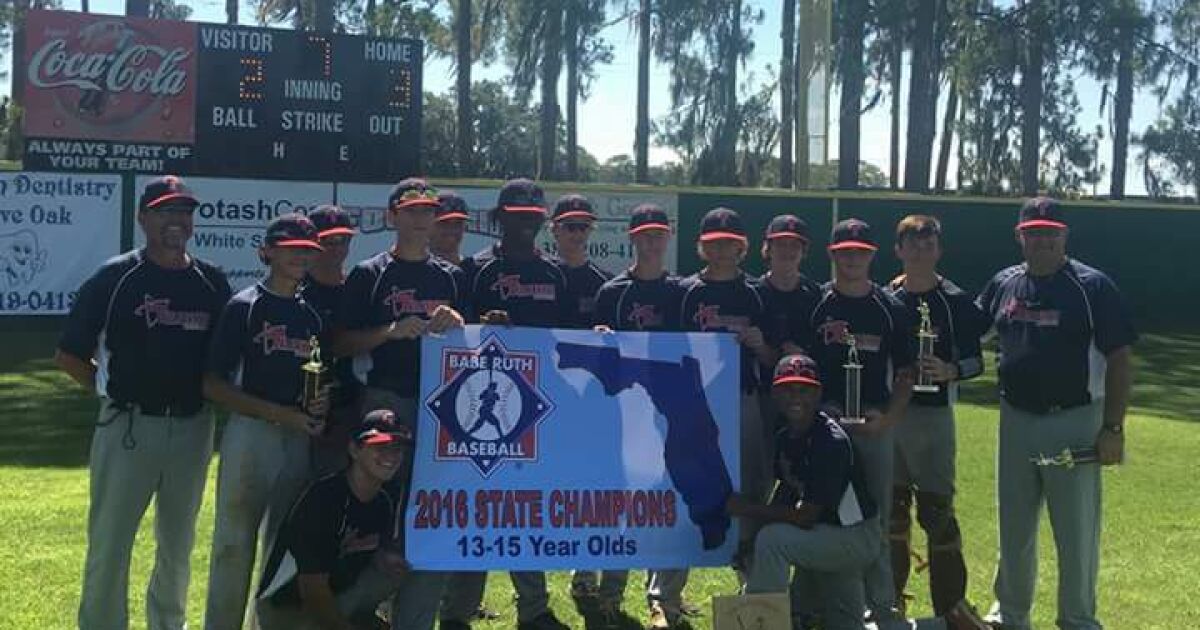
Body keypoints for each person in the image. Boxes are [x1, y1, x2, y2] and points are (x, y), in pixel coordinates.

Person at [57, 175, 230, 630]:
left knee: (178, 544)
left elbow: (224, 362)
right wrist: (111, 390)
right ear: (142, 218)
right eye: (165, 210)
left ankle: (168, 624)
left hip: (193, 427)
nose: (177, 220)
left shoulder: (211, 282)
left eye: (184, 211)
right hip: (128, 426)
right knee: (110, 544)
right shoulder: (116, 277)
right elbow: (70, 354)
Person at [734, 354, 987, 630]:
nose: (795, 398)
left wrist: (745, 510)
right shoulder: (785, 434)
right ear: (774, 394)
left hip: (853, 539)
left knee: (773, 540)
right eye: (787, 389)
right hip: (825, 539)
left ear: (818, 394)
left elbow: (805, 516)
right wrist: (753, 533)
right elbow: (788, 490)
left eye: (804, 390)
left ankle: (760, 624)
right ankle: (947, 625)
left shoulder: (829, 440)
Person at [977, 198, 1136, 630]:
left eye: (1051, 232)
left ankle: (1078, 619)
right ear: (1019, 236)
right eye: (1034, 232)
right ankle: (1010, 615)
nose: (1042, 240)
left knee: (1076, 530)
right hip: (1016, 418)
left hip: (1074, 420)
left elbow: (1120, 359)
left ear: (1065, 236)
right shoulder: (1005, 283)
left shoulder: (1092, 286)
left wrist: (1113, 428)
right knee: (1014, 523)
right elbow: (969, 326)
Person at [331, 177, 467, 628]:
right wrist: (388, 332)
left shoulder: (451, 276)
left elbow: (476, 343)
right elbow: (339, 344)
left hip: (442, 407)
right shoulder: (370, 274)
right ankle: (352, 609)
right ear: (392, 216)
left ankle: (413, 619)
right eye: (411, 211)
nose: (420, 219)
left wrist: (460, 322)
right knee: (378, 508)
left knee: (432, 513)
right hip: (385, 401)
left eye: (428, 211)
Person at [203, 213, 331, 630]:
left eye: (308, 249)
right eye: (291, 248)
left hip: (296, 437)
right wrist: (279, 414)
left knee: (282, 544)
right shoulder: (245, 306)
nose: (300, 256)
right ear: (268, 252)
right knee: (233, 543)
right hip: (251, 433)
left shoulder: (311, 316)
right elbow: (213, 385)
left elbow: (316, 377)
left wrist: (319, 405)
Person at [462, 178, 571, 630]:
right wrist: (480, 326)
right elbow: (453, 337)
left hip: (538, 405)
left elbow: (568, 341)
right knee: (474, 505)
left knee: (525, 506)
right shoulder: (475, 269)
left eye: (533, 216)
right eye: (517, 216)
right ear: (499, 218)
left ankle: (534, 609)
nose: (526, 223)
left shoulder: (555, 274)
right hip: (484, 405)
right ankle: (458, 610)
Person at [588, 203, 694, 628]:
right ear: (632, 238)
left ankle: (664, 599)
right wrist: (599, 340)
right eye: (644, 234)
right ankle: (610, 592)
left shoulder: (684, 291)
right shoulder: (612, 293)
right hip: (625, 409)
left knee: (673, 500)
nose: (652, 241)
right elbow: (596, 363)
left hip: (674, 410)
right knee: (623, 499)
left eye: (659, 234)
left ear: (669, 237)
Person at [806, 218, 915, 625]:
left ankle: (881, 605)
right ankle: (816, 603)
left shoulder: (891, 307)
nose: (852, 258)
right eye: (844, 252)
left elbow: (906, 373)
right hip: (824, 422)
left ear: (872, 256)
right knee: (820, 511)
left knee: (876, 518)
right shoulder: (816, 303)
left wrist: (888, 420)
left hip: (872, 422)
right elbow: (800, 365)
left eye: (860, 252)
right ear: (832, 254)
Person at [885, 215, 991, 618]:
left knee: (937, 511)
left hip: (933, 418)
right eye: (912, 244)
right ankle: (888, 602)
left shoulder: (955, 301)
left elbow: (977, 361)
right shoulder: (886, 297)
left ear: (939, 250)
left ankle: (951, 609)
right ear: (898, 250)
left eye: (928, 244)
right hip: (892, 415)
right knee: (892, 511)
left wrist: (951, 370)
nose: (920, 251)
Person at [677, 207, 775, 623]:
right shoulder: (685, 291)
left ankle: (751, 590)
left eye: (729, 244)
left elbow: (772, 359)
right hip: (694, 404)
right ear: (702, 247)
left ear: (742, 248)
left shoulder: (755, 294)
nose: (721, 250)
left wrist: (760, 345)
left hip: (742, 399)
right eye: (714, 243)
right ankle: (665, 594)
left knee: (751, 490)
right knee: (685, 488)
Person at [256, 410, 420, 630]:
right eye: (380, 447)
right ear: (354, 449)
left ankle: (362, 619)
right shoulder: (324, 499)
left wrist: (382, 557)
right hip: (289, 605)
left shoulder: (385, 499)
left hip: (335, 593)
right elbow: (312, 590)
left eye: (397, 448)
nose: (391, 455)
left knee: (394, 571)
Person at [303, 204, 362, 477]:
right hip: (302, 408)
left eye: (343, 240)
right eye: (328, 240)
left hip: (351, 404)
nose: (337, 248)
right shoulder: (296, 290)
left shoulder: (358, 289)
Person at [549, 194, 613, 330]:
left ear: (591, 230)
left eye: (583, 227)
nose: (578, 233)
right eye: (571, 227)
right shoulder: (541, 275)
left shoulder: (604, 283)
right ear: (554, 229)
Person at [431, 191, 470, 266]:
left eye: (458, 223)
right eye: (444, 222)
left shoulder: (475, 268)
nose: (452, 229)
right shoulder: (415, 267)